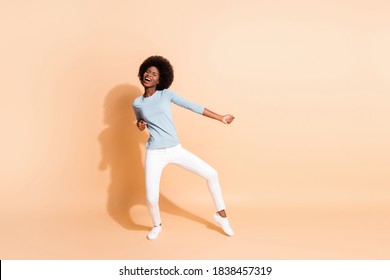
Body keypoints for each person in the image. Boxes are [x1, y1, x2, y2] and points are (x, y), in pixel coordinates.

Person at [132, 55, 235, 240]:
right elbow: (140, 122)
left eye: (154, 74)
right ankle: (157, 225)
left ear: (160, 79)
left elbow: (193, 106)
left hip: (175, 149)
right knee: (151, 199)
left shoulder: (166, 95)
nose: (149, 75)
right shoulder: (137, 103)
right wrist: (139, 125)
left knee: (211, 174)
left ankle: (221, 216)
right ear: (142, 74)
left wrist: (220, 117)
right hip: (154, 152)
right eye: (147, 72)